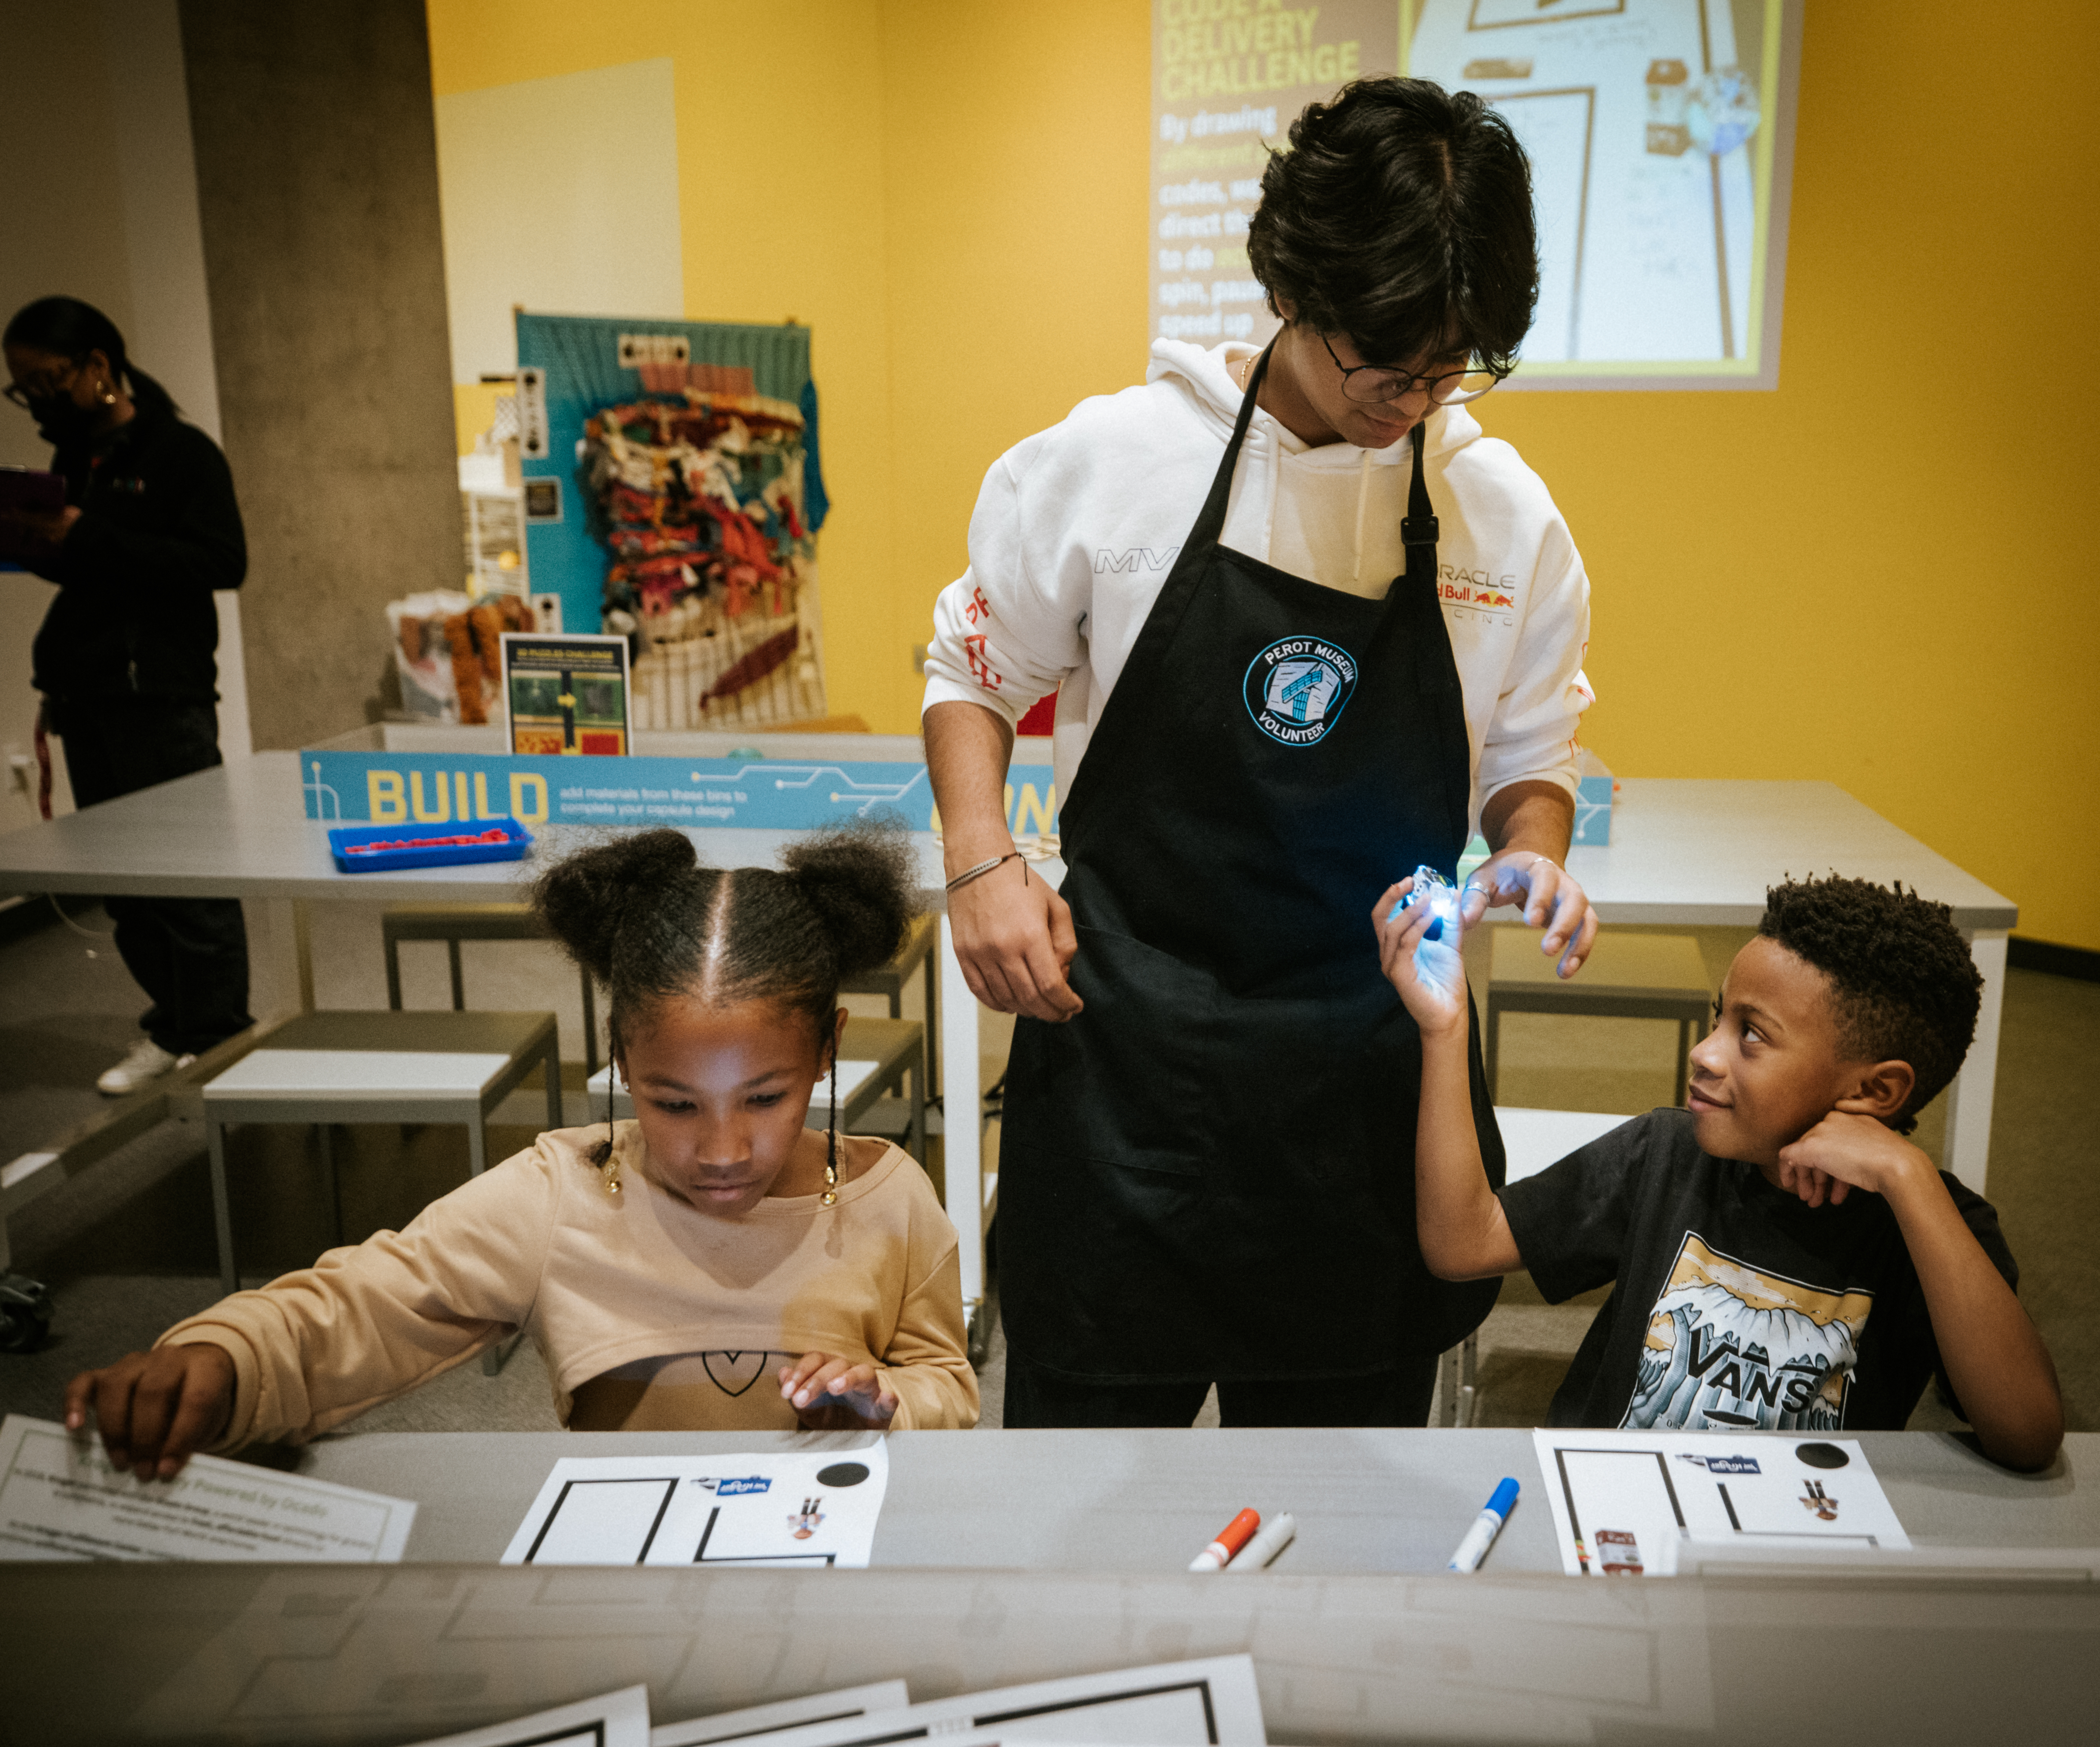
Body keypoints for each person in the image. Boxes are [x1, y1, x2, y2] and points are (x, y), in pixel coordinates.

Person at [921, 78, 1600, 1427]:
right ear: (1291, 281)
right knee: (1086, 1493)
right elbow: (971, 673)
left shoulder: (1498, 518)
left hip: (1363, 1082)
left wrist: (1531, 853)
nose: (1410, 399)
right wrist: (980, 860)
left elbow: (1536, 749)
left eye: (1450, 365)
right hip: (1127, 1058)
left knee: (1349, 1509)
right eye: (1382, 361)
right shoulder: (1116, 461)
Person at [62, 825, 979, 1480]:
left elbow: (947, 1385)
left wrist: (888, 1406)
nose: (723, 1148)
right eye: (671, 1102)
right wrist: (221, 1358)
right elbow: (362, 1307)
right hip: (626, 1574)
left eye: (768, 1098)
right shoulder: (563, 1196)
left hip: (838, 1563)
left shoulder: (893, 1201)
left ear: (828, 1049)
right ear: (620, 1059)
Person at [1378, 870, 2063, 1470]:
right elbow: (1461, 1242)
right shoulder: (1667, 1155)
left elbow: (2027, 1433)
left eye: (1752, 1035)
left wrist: (1909, 1179)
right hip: (1610, 1517)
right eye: (1717, 1019)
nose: (1705, 1053)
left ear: (1875, 1092)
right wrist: (1444, 1030)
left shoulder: (1934, 1229)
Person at [1, 296, 253, 1094]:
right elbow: (95, 572)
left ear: (100, 368)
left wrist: (87, 535)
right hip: (87, 692)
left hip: (165, 697)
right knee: (127, 881)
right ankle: (170, 1025)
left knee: (190, 876)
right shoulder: (74, 460)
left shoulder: (180, 454)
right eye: (22, 388)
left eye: (46, 381)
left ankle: (221, 1038)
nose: (36, 399)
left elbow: (220, 561)